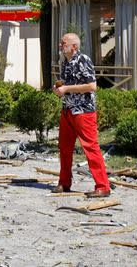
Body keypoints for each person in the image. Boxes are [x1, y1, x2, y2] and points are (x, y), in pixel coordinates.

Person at [53, 32, 111, 198]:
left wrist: (67, 89)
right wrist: (60, 89)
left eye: (63, 43)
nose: (60, 45)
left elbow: (92, 86)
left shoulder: (83, 59)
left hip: (84, 111)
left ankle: (103, 186)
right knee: (64, 147)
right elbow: (67, 85)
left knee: (90, 147)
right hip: (68, 110)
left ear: (74, 46)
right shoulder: (65, 62)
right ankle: (64, 183)